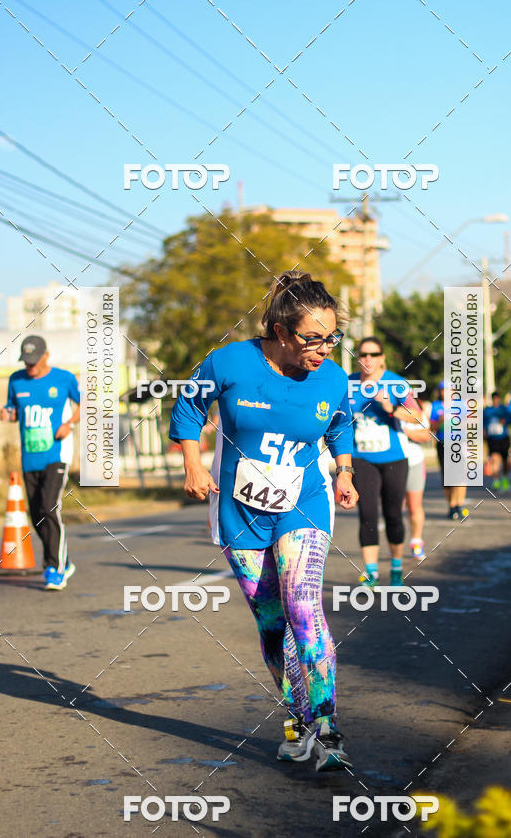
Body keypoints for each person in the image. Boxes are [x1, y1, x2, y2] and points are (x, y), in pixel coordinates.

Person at [169, 272, 358, 772]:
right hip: (240, 509)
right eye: (312, 338)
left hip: (304, 501)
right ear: (279, 331)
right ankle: (297, 718)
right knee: (272, 622)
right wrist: (193, 464)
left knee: (303, 607)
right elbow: (188, 407)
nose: (324, 349)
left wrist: (344, 471)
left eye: (331, 337)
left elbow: (341, 426)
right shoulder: (229, 362)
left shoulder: (333, 378)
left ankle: (326, 727)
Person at [0, 335, 80, 589]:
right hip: (30, 457)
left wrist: (70, 424)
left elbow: (85, 404)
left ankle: (54, 568)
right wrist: (8, 414)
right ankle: (63, 561)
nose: (30, 366)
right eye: (26, 361)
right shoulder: (16, 380)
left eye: (34, 361)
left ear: (46, 355)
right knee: (36, 515)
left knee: (48, 506)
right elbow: (14, 411)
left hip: (57, 454)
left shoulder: (64, 378)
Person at [348, 337, 425, 588]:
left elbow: (418, 416)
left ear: (382, 358)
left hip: (394, 459)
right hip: (361, 458)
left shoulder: (396, 383)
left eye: (373, 354)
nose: (367, 359)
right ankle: (371, 573)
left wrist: (391, 408)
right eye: (363, 354)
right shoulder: (348, 384)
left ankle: (396, 569)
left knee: (393, 514)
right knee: (367, 514)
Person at [430, 381, 467, 520]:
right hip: (443, 443)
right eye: (443, 390)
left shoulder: (460, 405)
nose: (445, 392)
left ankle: (459, 505)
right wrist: (440, 421)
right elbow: (431, 428)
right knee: (446, 477)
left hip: (458, 443)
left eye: (448, 389)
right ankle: (451, 506)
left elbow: (469, 423)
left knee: (460, 476)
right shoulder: (436, 406)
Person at [401, 410, 431, 561]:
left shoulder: (416, 413)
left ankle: (416, 542)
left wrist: (403, 432)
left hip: (415, 462)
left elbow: (426, 436)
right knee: (395, 508)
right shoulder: (383, 409)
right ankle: (396, 545)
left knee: (414, 506)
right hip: (392, 463)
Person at [483, 391, 511, 491]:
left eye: (497, 398)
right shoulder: (487, 410)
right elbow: (483, 422)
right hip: (493, 438)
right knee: (494, 458)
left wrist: (505, 421)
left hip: (503, 438)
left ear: (499, 399)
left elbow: (510, 420)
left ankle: (505, 479)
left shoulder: (504, 409)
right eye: (494, 398)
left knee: (505, 460)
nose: (495, 400)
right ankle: (496, 481)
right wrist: (484, 431)